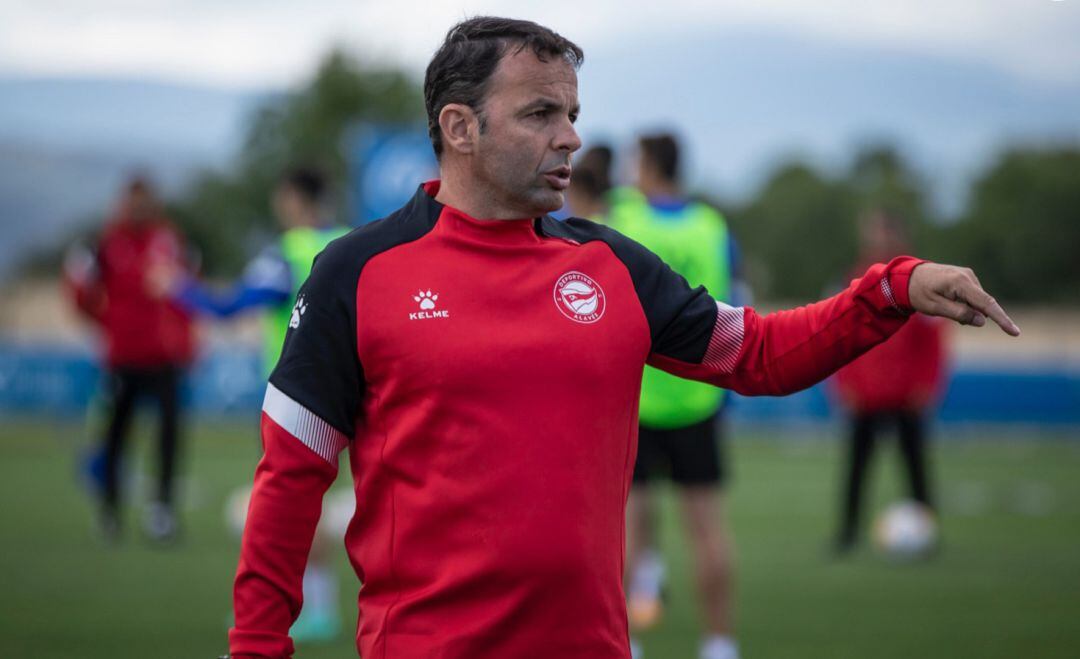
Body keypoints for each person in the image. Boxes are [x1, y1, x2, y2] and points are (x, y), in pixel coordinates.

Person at [227, 17, 1019, 659]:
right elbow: (291, 477)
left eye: (572, 113)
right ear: (458, 126)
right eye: (541, 113)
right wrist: (257, 644)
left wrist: (890, 289)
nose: (570, 137)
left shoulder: (609, 264)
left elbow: (759, 354)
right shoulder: (355, 273)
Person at [163, 167, 350, 642]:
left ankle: (305, 612)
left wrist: (176, 288)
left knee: (289, 506)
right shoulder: (353, 242)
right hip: (354, 397)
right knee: (327, 506)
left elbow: (228, 307)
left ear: (292, 199)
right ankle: (324, 607)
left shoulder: (288, 252)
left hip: (300, 404)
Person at [607, 132, 742, 659]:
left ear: (649, 165)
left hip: (637, 399)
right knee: (708, 531)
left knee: (626, 534)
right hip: (698, 394)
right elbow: (731, 302)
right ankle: (720, 642)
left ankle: (629, 641)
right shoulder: (712, 225)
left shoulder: (626, 219)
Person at [64, 175, 194, 544]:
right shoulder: (106, 243)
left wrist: (185, 340)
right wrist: (107, 324)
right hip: (123, 358)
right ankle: (109, 511)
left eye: (146, 200)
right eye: (134, 201)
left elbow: (187, 290)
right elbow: (79, 290)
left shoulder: (167, 239)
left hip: (164, 356)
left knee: (169, 434)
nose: (140, 208)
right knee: (116, 435)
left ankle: (162, 512)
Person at [830, 210, 948, 554]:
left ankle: (927, 533)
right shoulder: (853, 278)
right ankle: (847, 534)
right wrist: (844, 384)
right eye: (871, 234)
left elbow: (933, 342)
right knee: (856, 467)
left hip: (906, 395)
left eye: (880, 233)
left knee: (915, 467)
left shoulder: (919, 281)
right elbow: (835, 336)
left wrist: (927, 385)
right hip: (865, 394)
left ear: (896, 237)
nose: (874, 241)